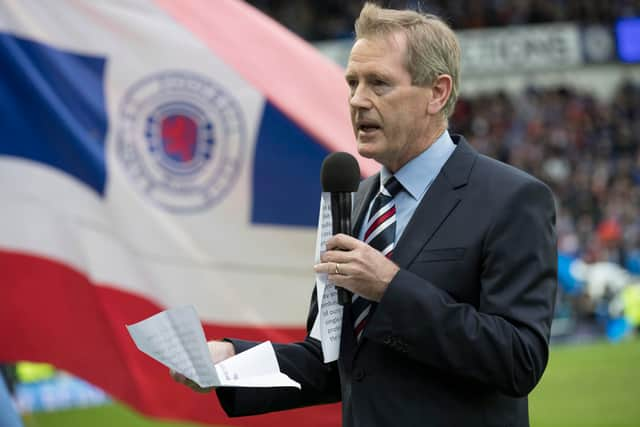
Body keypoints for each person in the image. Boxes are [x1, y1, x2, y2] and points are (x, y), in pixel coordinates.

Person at [173, 3, 557, 426]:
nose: (358, 100)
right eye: (353, 82)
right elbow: (332, 359)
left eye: (379, 83)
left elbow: (519, 359)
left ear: (437, 93)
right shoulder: (353, 203)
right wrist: (230, 361)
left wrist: (391, 289)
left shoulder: (513, 199)